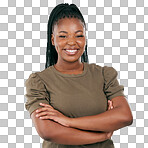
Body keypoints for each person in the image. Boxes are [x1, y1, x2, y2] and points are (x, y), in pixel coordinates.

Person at [25, 3, 133, 148]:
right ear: (53, 40)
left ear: (85, 38)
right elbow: (48, 131)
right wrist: (101, 134)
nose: (71, 42)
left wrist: (67, 121)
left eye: (79, 35)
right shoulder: (39, 81)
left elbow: (124, 116)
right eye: (63, 36)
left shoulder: (104, 75)